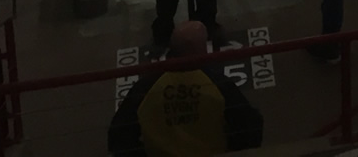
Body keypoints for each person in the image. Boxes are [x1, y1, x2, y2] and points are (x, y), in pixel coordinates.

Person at [108, 19, 263, 157]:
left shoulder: (145, 88)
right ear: (201, 50)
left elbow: (118, 137)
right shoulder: (217, 84)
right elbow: (251, 126)